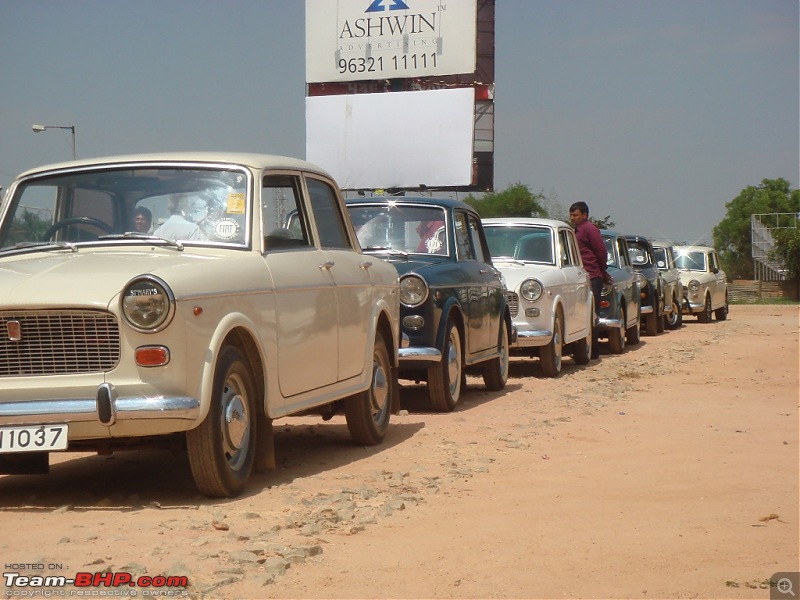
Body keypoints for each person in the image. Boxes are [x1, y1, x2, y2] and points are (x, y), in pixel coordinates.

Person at [569, 201, 612, 360]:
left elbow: (601, 251)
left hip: (593, 276)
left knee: (592, 313)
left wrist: (602, 270)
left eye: (575, 215)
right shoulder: (575, 230)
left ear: (585, 215)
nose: (572, 218)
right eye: (571, 215)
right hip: (580, 277)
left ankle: (593, 350)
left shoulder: (589, 229)